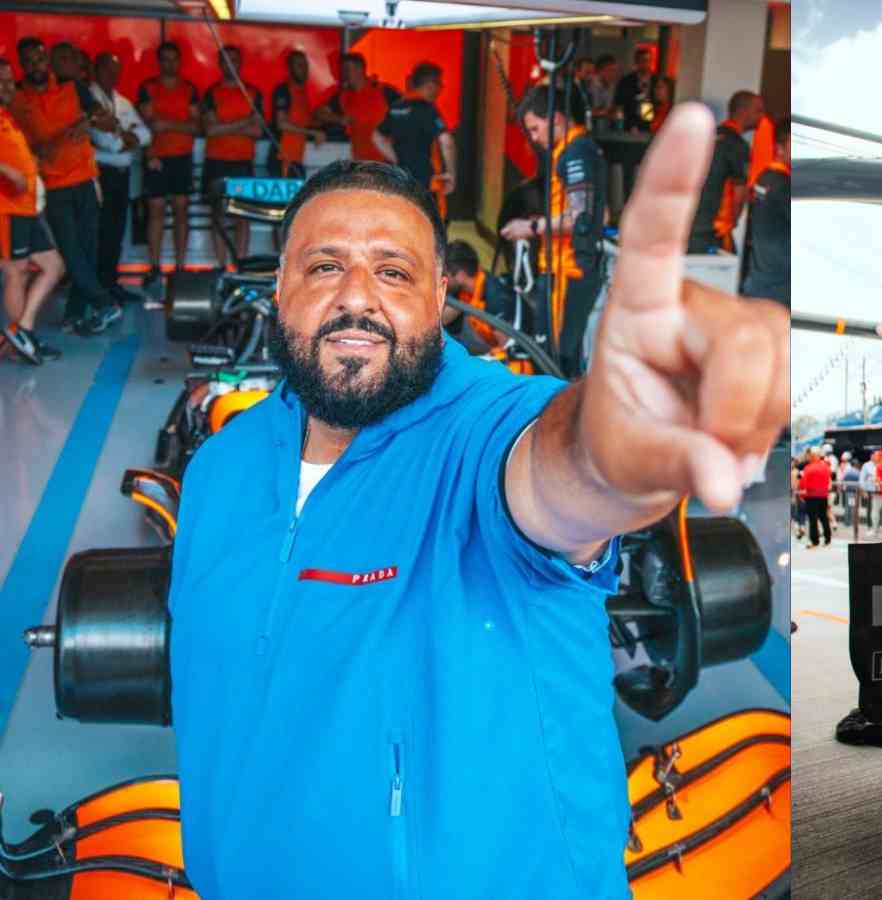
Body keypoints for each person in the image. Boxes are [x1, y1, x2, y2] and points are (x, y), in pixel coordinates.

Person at [165, 105, 787, 898]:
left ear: (442, 300)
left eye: (394, 271)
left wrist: (610, 446)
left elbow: (554, 477)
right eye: (325, 266)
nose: (357, 295)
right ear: (279, 286)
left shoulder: (484, 427)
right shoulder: (221, 468)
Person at [12, 38, 120, 335]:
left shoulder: (74, 88)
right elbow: (37, 149)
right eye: (30, 61)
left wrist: (92, 120)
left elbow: (108, 122)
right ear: (22, 65)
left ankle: (75, 314)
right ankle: (105, 303)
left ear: (47, 59)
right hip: (53, 186)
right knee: (70, 254)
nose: (37, 65)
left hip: (85, 180)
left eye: (40, 59)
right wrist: (70, 131)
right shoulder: (17, 98)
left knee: (86, 252)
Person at [499, 86, 605, 377]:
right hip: (563, 267)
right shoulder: (570, 151)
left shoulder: (575, 154)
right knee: (556, 354)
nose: (533, 138)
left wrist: (530, 227)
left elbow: (580, 217)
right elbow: (598, 212)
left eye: (535, 129)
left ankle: (562, 418)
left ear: (555, 118)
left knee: (554, 359)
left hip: (568, 270)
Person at [0, 56, 66, 364]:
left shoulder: (6, 114)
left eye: (9, 81)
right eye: (0, 82)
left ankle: (22, 331)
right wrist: (9, 171)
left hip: (26, 207)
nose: (7, 87)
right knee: (16, 272)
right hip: (7, 209)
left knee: (53, 266)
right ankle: (18, 341)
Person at [86, 51, 150, 307]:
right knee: (99, 231)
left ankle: (111, 283)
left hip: (122, 176)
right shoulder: (90, 99)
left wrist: (125, 137)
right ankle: (97, 287)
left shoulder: (122, 102)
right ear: (96, 70)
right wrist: (127, 137)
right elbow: (106, 143)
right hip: (100, 172)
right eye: (107, 70)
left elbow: (145, 134)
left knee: (116, 231)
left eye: (116, 71)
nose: (112, 76)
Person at [138, 40, 200, 292]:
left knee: (181, 211)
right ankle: (154, 267)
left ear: (179, 61)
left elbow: (197, 127)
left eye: (174, 59)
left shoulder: (189, 89)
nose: (169, 63)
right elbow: (146, 125)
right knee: (156, 212)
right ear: (159, 61)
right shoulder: (148, 88)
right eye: (165, 59)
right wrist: (174, 124)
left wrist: (167, 124)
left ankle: (180, 267)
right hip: (156, 157)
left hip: (182, 157)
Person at [200, 45, 263, 268]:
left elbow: (257, 131)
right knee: (218, 215)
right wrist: (243, 122)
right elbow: (210, 130)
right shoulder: (211, 93)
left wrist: (224, 126)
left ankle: (241, 264)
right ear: (220, 64)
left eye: (235, 60)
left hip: (242, 162)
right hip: (216, 161)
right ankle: (219, 266)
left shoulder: (252, 93)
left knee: (242, 216)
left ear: (240, 63)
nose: (231, 65)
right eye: (226, 61)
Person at [687, 91, 763, 255]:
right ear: (743, 112)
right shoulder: (737, 146)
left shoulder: (707, 136)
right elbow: (738, 196)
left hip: (688, 222)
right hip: (713, 232)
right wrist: (731, 223)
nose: (762, 117)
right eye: (758, 111)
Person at [374, 63, 455, 205]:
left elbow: (377, 137)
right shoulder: (427, 109)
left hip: (400, 179)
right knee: (430, 221)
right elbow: (446, 141)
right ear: (430, 84)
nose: (440, 89)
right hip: (427, 181)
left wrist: (397, 159)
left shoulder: (396, 108)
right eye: (439, 84)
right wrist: (451, 173)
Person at [316, 53, 399, 163]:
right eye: (343, 70)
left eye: (347, 69)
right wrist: (338, 119)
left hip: (388, 160)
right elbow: (319, 113)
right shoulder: (343, 97)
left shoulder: (383, 91)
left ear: (360, 69)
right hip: (360, 162)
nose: (344, 74)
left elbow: (407, 112)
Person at [741, 116, 788, 305]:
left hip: (760, 280)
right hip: (777, 287)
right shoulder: (783, 185)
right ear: (780, 147)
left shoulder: (764, 177)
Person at [441, 239, 517, 350]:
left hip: (492, 354)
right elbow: (443, 319)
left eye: (445, 275)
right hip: (472, 344)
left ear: (461, 276)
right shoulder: (466, 286)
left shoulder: (496, 301)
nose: (442, 279)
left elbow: (505, 350)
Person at [268, 49, 323, 179]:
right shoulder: (283, 90)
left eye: (305, 65)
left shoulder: (303, 93)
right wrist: (313, 133)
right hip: (283, 157)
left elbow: (302, 122)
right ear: (289, 68)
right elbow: (282, 124)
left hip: (295, 157)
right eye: (299, 65)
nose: (303, 69)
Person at [613, 47, 654, 135]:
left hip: (652, 124)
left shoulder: (656, 80)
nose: (646, 63)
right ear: (636, 62)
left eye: (649, 60)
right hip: (630, 123)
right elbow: (619, 103)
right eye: (643, 60)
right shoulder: (626, 81)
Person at [801, 447, 833, 548]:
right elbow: (828, 481)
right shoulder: (826, 467)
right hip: (823, 495)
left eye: (809, 455)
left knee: (813, 519)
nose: (808, 457)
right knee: (824, 517)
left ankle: (815, 541)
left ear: (813, 456)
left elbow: (803, 484)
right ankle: (828, 539)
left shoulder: (808, 468)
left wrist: (802, 495)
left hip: (811, 496)